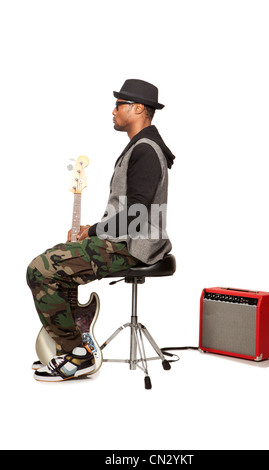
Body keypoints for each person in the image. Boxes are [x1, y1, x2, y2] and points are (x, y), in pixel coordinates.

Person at [26, 79, 176, 382]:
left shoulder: (146, 150)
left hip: (133, 248)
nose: (113, 110)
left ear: (137, 108)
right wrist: (90, 232)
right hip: (124, 242)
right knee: (55, 257)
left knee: (40, 269)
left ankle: (77, 354)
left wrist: (92, 230)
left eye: (119, 105)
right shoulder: (141, 146)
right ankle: (69, 348)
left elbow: (136, 217)